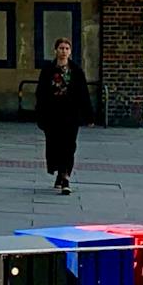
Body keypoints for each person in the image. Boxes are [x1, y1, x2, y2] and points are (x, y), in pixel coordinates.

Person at [35, 36, 93, 195]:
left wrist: (88, 116)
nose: (64, 52)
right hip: (52, 114)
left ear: (70, 51)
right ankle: (59, 172)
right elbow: (40, 93)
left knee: (69, 146)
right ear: (55, 50)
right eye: (61, 48)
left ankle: (65, 176)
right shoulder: (48, 70)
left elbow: (83, 94)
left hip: (70, 114)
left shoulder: (76, 71)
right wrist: (40, 114)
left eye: (67, 49)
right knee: (54, 145)